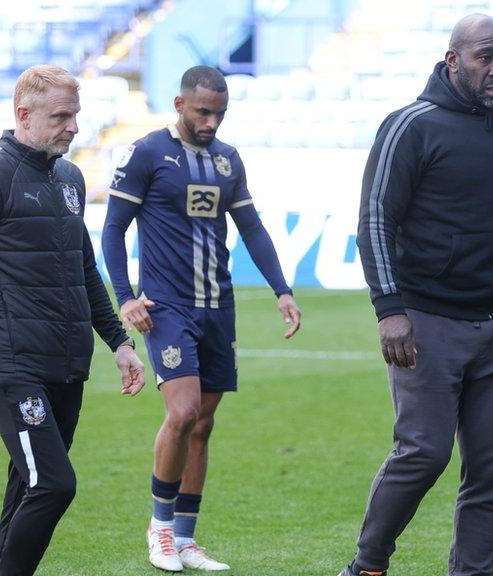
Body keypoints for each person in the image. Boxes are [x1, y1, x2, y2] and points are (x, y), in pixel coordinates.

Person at [340, 14, 493, 576]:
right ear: (453, 60)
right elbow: (375, 220)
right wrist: (390, 310)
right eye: (486, 57)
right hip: (426, 320)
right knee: (424, 453)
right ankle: (367, 565)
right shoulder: (411, 125)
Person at [0, 64, 147, 576]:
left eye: (75, 115)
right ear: (23, 114)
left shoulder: (71, 179)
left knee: (29, 485)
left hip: (66, 361)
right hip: (11, 362)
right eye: (61, 116)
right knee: (54, 484)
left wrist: (118, 342)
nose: (73, 126)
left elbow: (84, 270)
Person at [102, 65, 302, 573]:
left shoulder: (228, 161)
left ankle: (187, 538)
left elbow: (252, 228)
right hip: (166, 306)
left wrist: (282, 289)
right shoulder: (148, 153)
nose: (212, 122)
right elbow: (113, 230)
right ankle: (160, 530)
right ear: (179, 105)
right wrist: (126, 297)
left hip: (219, 306)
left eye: (219, 113)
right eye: (202, 112)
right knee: (183, 412)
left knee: (204, 423)